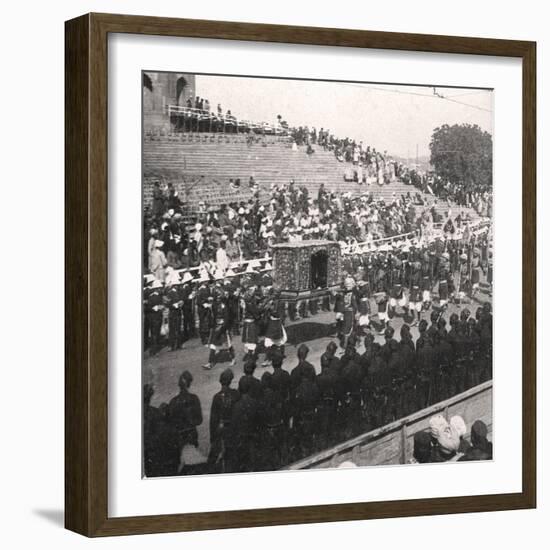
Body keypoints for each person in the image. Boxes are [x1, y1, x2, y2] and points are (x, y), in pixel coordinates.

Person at [208, 368, 240, 471]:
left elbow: (213, 420)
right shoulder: (235, 394)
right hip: (233, 428)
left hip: (221, 429)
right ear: (230, 381)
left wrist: (212, 437)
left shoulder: (216, 397)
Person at [166, 371, 203, 451]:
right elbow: (199, 420)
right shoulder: (194, 398)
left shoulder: (173, 401)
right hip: (191, 435)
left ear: (179, 385)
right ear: (189, 384)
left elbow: (170, 423)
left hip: (179, 437)